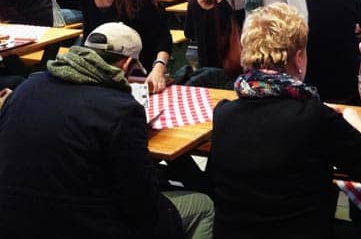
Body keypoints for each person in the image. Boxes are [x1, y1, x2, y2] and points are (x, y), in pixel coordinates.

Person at [0, 22, 214, 239]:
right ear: (127, 65)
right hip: (83, 226)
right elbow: (140, 203)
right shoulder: (120, 110)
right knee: (203, 205)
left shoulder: (25, 88)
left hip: (12, 221)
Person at [206, 3, 361, 239]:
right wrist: (357, 123)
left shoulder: (223, 114)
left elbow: (212, 178)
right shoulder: (313, 116)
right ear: (298, 58)